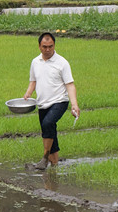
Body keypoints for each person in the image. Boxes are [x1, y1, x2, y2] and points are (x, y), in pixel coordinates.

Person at [24, 32, 80, 170]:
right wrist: (28, 94)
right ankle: (54, 166)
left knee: (48, 123)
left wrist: (74, 104)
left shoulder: (62, 63)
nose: (48, 49)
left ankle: (44, 159)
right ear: (39, 46)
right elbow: (33, 81)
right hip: (42, 103)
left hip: (59, 101)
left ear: (54, 45)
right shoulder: (35, 62)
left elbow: (70, 84)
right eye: (44, 47)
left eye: (50, 46)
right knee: (49, 130)